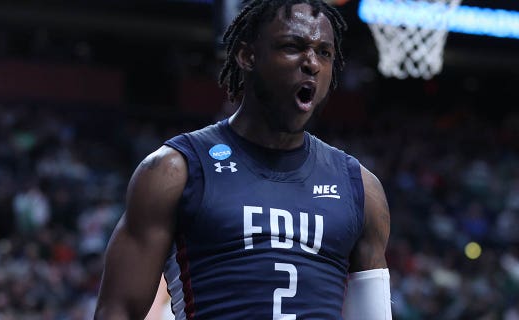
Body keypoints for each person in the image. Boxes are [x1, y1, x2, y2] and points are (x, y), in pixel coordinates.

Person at [94, 1, 391, 319]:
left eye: (324, 53)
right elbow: (118, 311)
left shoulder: (361, 189)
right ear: (247, 56)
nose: (312, 63)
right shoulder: (173, 170)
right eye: (293, 46)